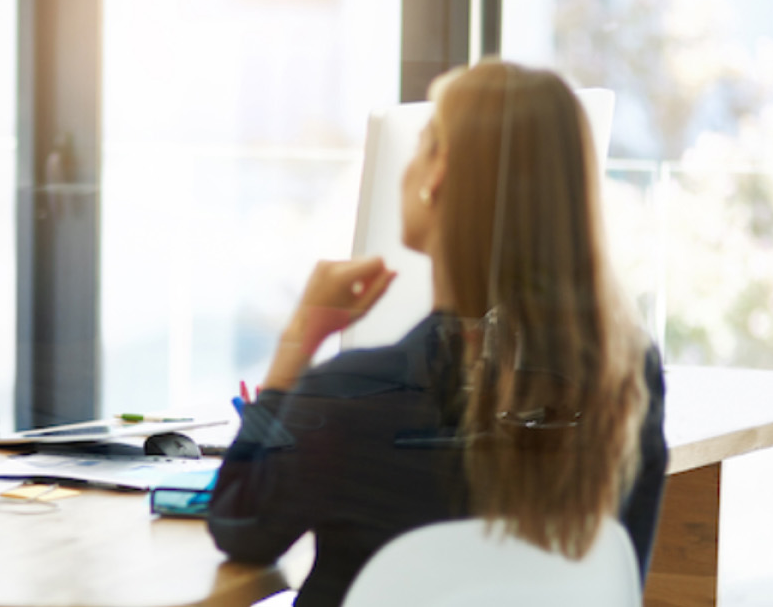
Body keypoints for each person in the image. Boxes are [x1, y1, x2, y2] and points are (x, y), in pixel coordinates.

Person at [206, 61, 668, 607]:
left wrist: (298, 343)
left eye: (422, 144)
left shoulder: (354, 394)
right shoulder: (628, 377)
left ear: (439, 172)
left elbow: (241, 522)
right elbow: (621, 575)